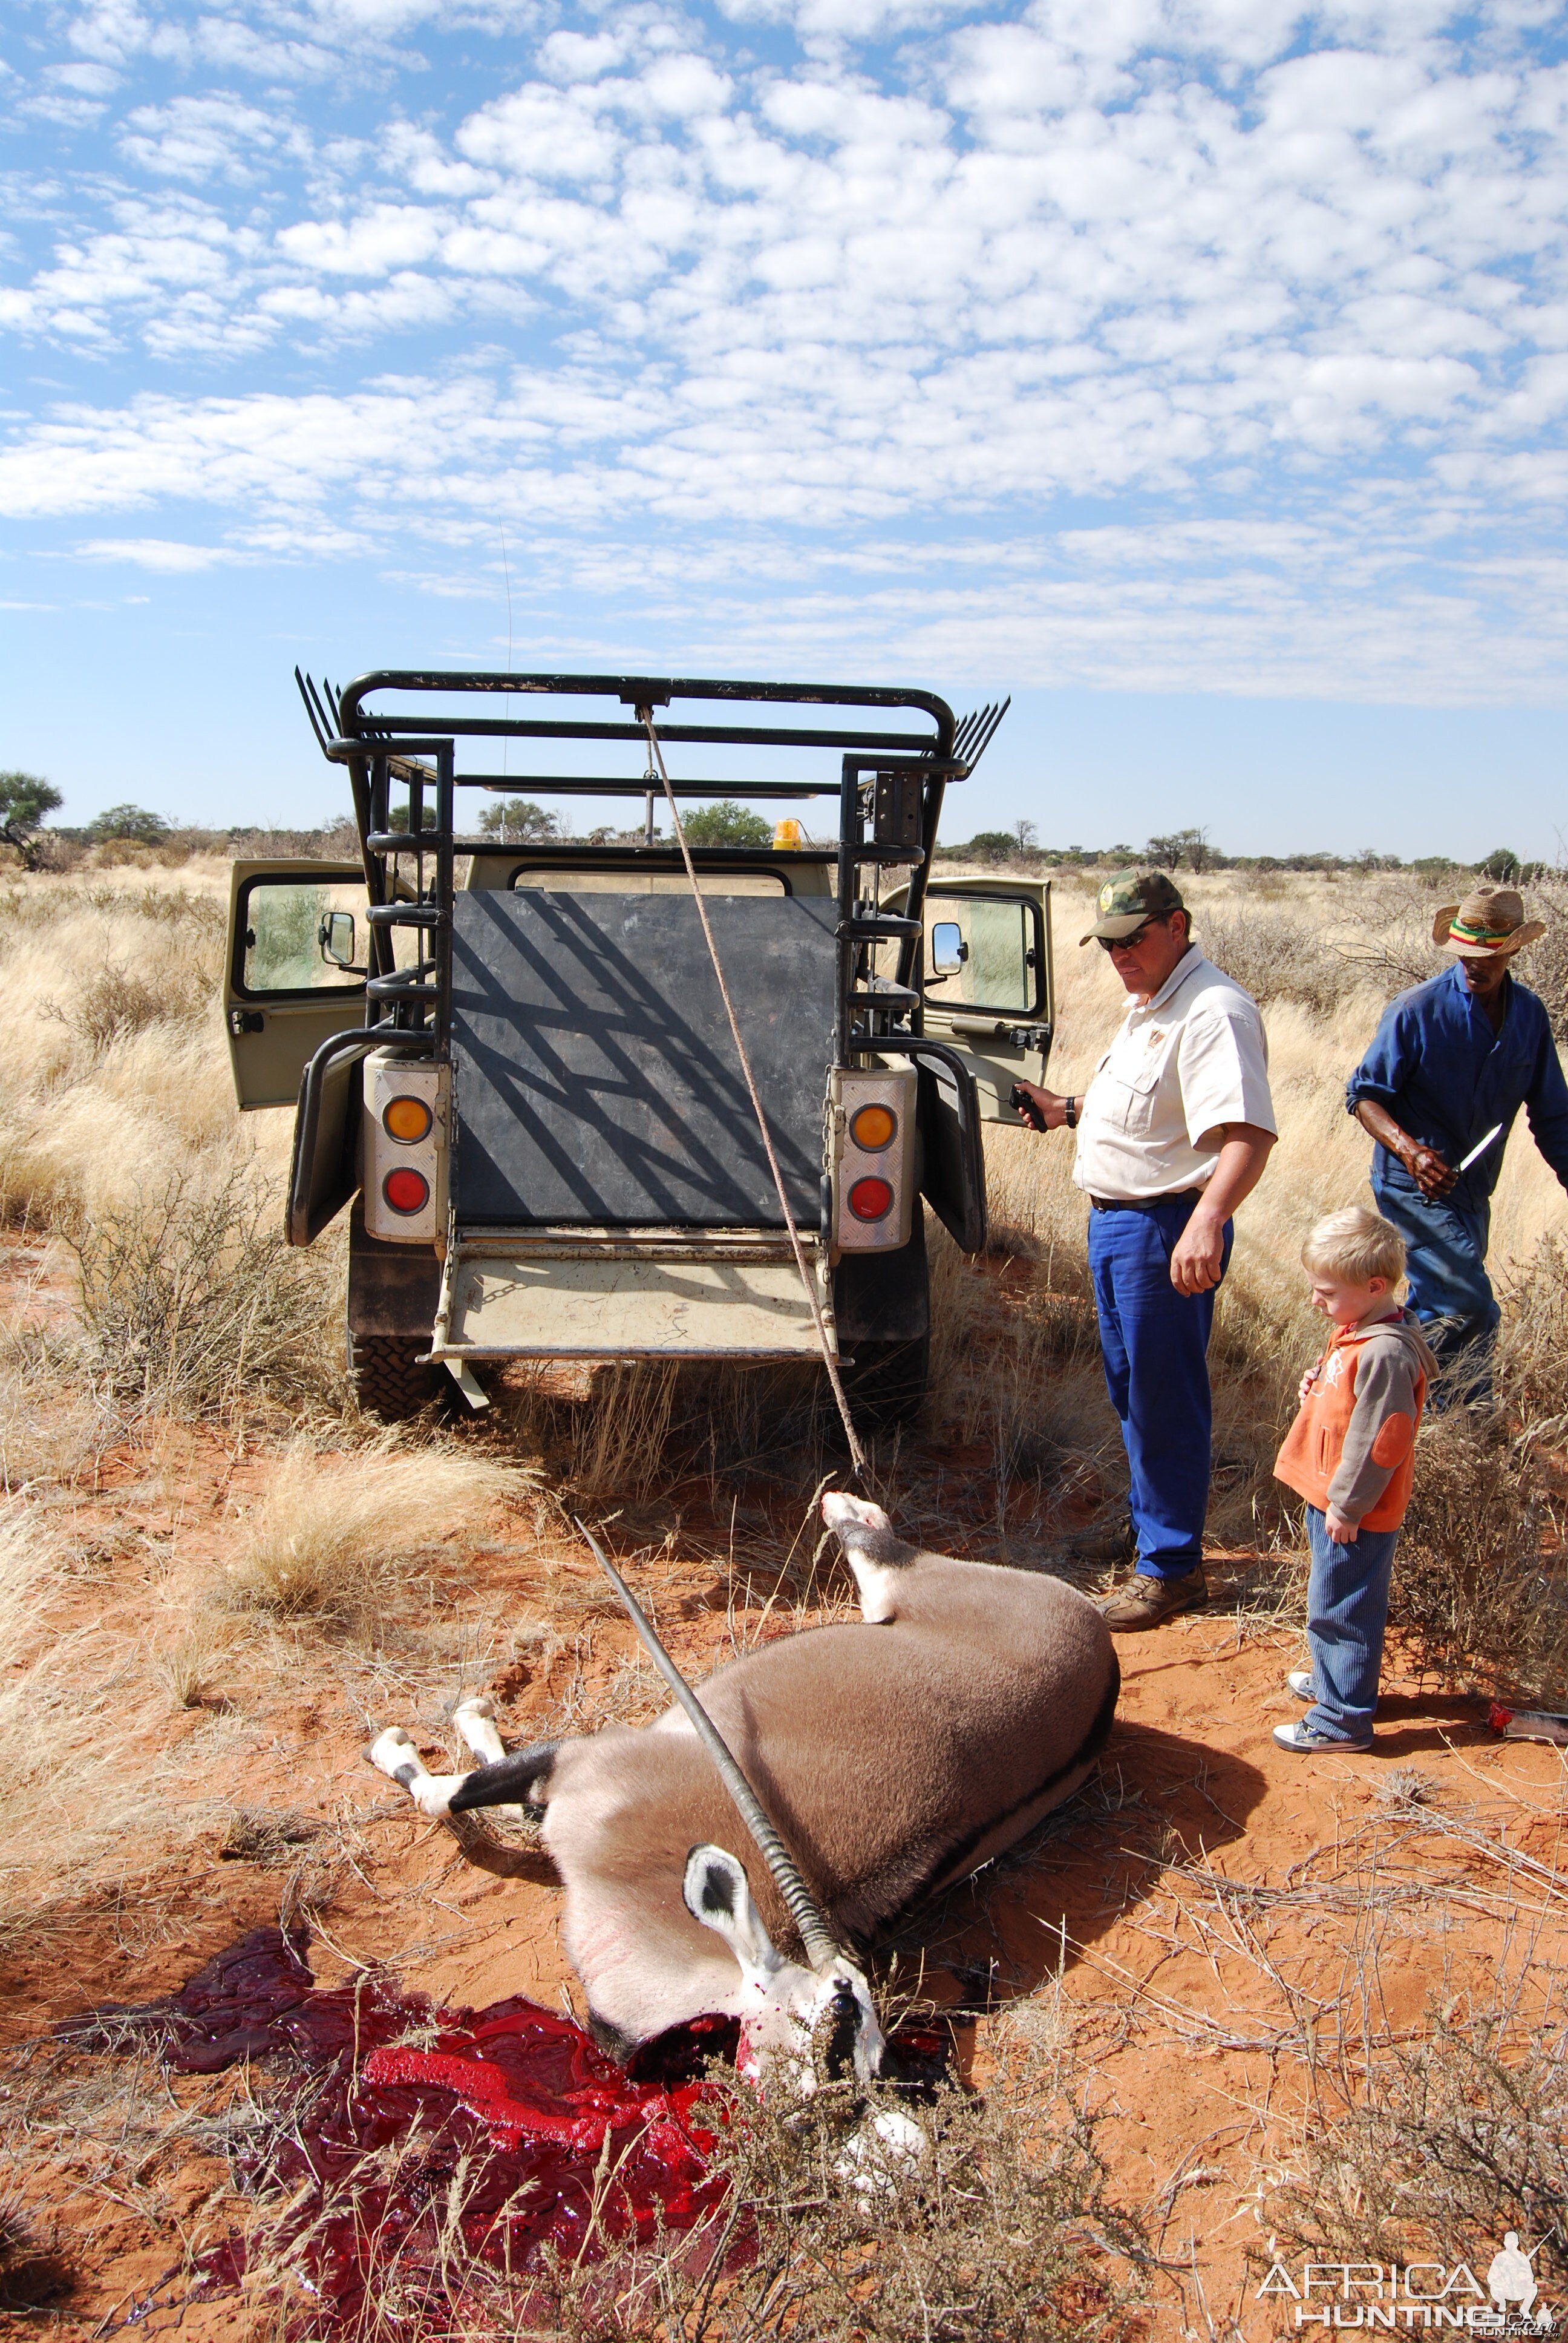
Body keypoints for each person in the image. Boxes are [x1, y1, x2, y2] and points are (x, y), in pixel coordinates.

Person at [1014, 870, 1276, 1629]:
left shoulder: (1213, 1009)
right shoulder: (1153, 1006)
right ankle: (1153, 1534)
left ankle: (1171, 1570)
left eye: (1134, 939)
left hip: (1167, 1227)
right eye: (1109, 943)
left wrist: (1207, 1220)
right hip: (1119, 1223)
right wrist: (1068, 1110)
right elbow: (1152, 1105)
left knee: (1165, 1398)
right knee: (1135, 1392)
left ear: (1178, 924)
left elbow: (1248, 1133)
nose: (1121, 955)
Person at [1346, 886, 1568, 1403]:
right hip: (1410, 1188)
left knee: (1437, 1307)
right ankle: (1469, 1417)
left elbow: (1554, 1116)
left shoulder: (1530, 1017)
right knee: (1469, 1302)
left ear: (1513, 952)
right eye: (1466, 954)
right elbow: (1363, 1097)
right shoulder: (1416, 1009)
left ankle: (1408, 1414)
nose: (1476, 964)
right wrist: (1411, 1151)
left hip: (1473, 1192)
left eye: (1489, 955)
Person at [1272, 1206, 1436, 1753]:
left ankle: (1342, 1718)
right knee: (1332, 1595)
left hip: (1352, 1507)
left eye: (1326, 1291)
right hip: (1335, 1494)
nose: (1316, 1302)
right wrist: (1318, 1387)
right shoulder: (1360, 1327)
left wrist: (1347, 1506)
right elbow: (1351, 1399)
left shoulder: (1386, 1351)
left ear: (1374, 1285)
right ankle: (1337, 1683)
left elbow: (1382, 1440)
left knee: (1343, 1606)